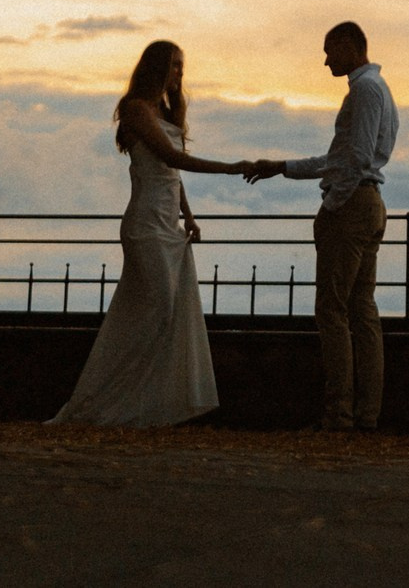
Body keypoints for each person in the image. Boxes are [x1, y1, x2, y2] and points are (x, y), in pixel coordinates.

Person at [52, 39, 258, 427]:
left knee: (164, 312)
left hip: (168, 224)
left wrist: (189, 216)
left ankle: (143, 405)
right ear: (156, 68)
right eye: (175, 66)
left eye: (182, 66)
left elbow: (173, 177)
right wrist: (231, 168)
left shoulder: (165, 111)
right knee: (156, 311)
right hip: (145, 224)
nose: (180, 74)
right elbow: (171, 158)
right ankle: (109, 402)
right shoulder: (135, 109)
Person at [246, 22, 397, 430]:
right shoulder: (379, 88)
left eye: (330, 50)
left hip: (351, 206)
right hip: (370, 203)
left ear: (350, 46)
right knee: (362, 309)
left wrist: (333, 203)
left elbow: (357, 157)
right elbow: (355, 156)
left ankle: (340, 413)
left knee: (332, 311)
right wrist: (283, 168)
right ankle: (366, 414)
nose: (326, 59)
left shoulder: (364, 90)